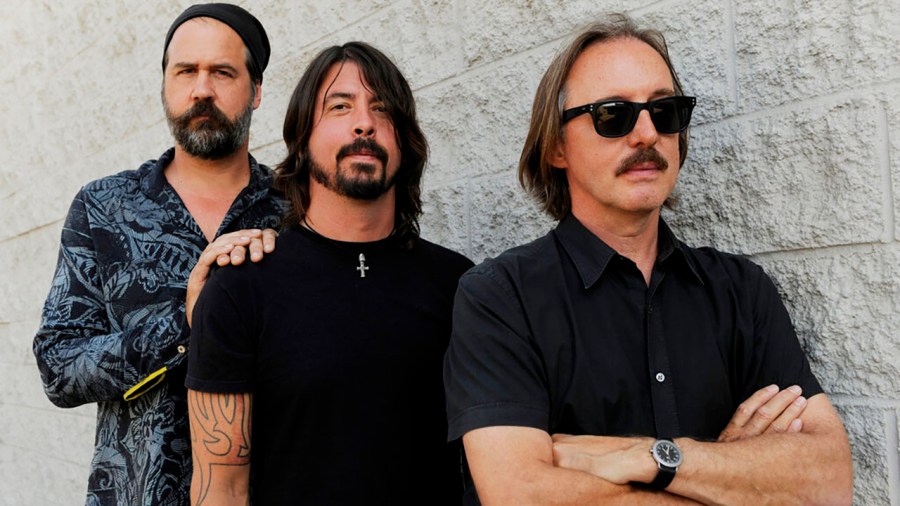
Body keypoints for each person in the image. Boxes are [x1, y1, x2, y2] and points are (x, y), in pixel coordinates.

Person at [443, 13, 853, 505]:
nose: (646, 135)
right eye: (613, 115)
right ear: (556, 145)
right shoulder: (500, 297)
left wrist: (648, 458)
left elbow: (828, 481)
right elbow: (521, 496)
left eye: (665, 111)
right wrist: (730, 479)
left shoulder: (742, 292)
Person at [185, 41, 473, 505]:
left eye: (382, 108)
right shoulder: (240, 289)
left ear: (406, 139)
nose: (365, 122)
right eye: (340, 106)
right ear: (302, 139)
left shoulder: (462, 286)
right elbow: (221, 489)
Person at [33, 4, 284, 505]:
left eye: (222, 72)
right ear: (165, 85)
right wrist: (183, 320)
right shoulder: (104, 208)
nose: (202, 89)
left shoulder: (295, 211)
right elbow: (58, 367)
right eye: (185, 71)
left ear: (255, 91)